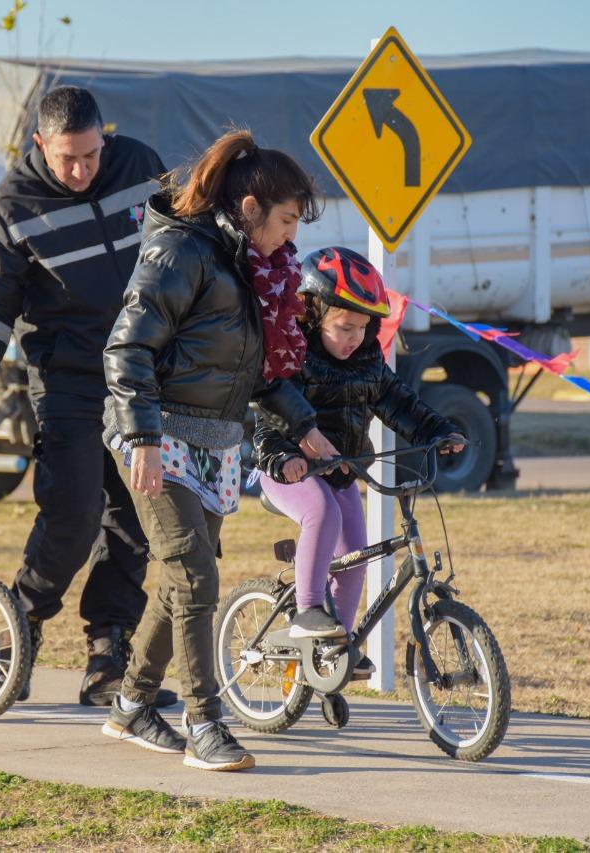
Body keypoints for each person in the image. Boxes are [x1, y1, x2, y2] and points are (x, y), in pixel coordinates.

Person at [101, 129, 339, 771]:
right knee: (194, 575)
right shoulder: (181, 251)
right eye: (287, 220)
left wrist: (305, 424)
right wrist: (144, 437)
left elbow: (252, 371)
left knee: (176, 582)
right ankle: (205, 724)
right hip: (156, 434)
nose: (292, 237)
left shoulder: (252, 268)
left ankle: (131, 706)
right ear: (251, 208)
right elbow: (126, 351)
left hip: (214, 440)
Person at [0, 85, 174, 707]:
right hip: (67, 380)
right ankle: (22, 624)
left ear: (107, 136)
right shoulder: (12, 206)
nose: (81, 170)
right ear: (40, 144)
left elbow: (188, 252)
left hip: (145, 379)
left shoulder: (143, 167)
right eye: (67, 158)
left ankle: (108, 656)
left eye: (91, 155)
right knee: (70, 516)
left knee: (135, 522)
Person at [254, 246, 465, 667]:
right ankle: (308, 610)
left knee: (356, 556)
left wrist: (437, 431)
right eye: (344, 327)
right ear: (314, 315)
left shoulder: (368, 363)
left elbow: (400, 404)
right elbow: (268, 413)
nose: (355, 339)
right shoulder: (293, 358)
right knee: (323, 515)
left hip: (340, 472)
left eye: (363, 329)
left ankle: (338, 647)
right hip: (288, 471)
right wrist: (281, 457)